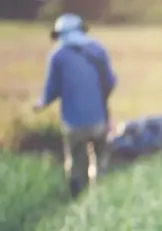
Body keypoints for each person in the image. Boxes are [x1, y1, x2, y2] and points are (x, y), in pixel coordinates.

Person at [33, 13, 117, 197]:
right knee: (100, 160)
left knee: (77, 162)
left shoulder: (57, 56)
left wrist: (41, 103)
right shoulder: (97, 50)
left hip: (72, 122)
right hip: (98, 119)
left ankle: (77, 198)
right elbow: (110, 81)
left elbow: (51, 90)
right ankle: (99, 196)